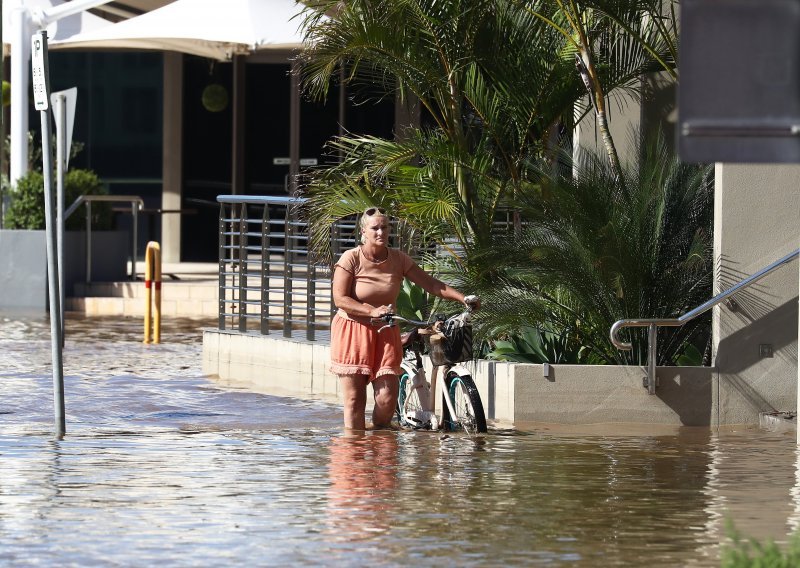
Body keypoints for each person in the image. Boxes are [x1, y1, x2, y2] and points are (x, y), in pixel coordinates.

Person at [329, 207, 479, 430]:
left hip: (386, 331)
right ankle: (354, 458)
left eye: (385, 227)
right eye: (375, 228)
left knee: (387, 400)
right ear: (363, 232)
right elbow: (340, 299)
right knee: (354, 401)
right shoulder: (350, 258)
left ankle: (380, 450)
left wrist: (463, 299)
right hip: (353, 331)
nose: (380, 232)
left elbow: (433, 284)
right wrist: (371, 311)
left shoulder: (398, 259)